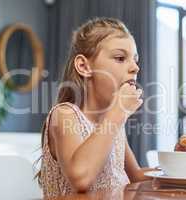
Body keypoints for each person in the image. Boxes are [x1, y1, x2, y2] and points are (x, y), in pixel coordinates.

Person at [35, 17, 155, 198]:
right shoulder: (65, 115)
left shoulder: (114, 122)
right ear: (84, 66)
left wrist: (178, 171)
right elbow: (81, 179)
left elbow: (136, 176)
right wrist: (118, 112)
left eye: (135, 60)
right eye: (120, 58)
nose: (135, 68)